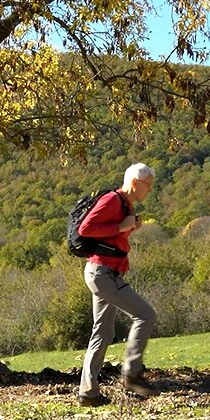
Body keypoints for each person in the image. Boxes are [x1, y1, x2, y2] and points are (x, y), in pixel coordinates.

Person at [76, 162, 160, 406]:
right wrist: (120, 226)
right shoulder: (113, 200)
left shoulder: (124, 204)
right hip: (103, 274)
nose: (149, 191)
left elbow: (110, 239)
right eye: (148, 186)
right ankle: (132, 375)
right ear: (135, 183)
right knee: (145, 315)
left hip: (103, 272)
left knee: (102, 332)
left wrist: (127, 230)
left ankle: (88, 394)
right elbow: (86, 229)